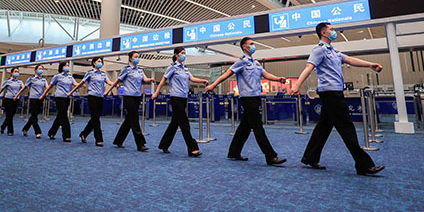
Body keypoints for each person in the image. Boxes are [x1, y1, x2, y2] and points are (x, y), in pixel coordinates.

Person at [290, 22, 385, 176]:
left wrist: (370, 65)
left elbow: (350, 60)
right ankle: (364, 165)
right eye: (332, 30)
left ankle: (310, 157)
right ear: (324, 33)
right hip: (330, 94)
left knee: (324, 126)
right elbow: (309, 67)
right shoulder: (319, 50)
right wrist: (297, 85)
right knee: (347, 128)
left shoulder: (333, 51)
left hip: (335, 93)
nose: (335, 32)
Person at [205, 38, 287, 166]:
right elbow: (226, 74)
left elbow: (266, 74)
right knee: (258, 127)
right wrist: (213, 85)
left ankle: (234, 152)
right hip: (247, 98)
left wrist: (278, 79)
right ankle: (271, 156)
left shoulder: (256, 63)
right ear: (244, 47)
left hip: (256, 97)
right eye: (251, 44)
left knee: (245, 126)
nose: (254, 46)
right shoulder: (241, 62)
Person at [152, 47, 209, 157]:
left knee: (174, 123)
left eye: (185, 53)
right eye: (182, 53)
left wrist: (203, 81)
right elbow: (163, 79)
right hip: (176, 98)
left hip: (184, 98)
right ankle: (192, 148)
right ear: (176, 55)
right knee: (184, 123)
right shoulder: (172, 67)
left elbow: (192, 78)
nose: (184, 55)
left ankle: (164, 145)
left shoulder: (185, 69)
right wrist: (156, 92)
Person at [105, 51, 155, 151]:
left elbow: (144, 79)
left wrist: (150, 79)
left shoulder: (140, 70)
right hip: (128, 97)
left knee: (129, 120)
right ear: (131, 58)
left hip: (137, 97)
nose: (138, 58)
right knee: (135, 119)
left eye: (138, 57)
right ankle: (140, 144)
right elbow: (117, 81)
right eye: (136, 57)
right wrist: (108, 90)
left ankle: (118, 140)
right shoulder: (126, 70)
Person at [68, 57, 115, 147]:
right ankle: (99, 139)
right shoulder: (90, 73)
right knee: (95, 118)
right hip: (92, 97)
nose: (100, 63)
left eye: (101, 61)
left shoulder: (103, 74)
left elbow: (109, 82)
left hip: (100, 98)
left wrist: (116, 84)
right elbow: (82, 83)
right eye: (98, 61)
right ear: (94, 63)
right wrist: (71, 92)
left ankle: (84, 134)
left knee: (95, 118)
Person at [40, 61, 78, 142]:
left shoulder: (70, 77)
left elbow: (75, 84)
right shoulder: (57, 76)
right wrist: (43, 94)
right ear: (61, 67)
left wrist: (82, 84)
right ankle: (66, 136)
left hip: (67, 98)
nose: (67, 67)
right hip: (59, 97)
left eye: (68, 65)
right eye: (66, 65)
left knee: (60, 116)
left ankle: (51, 132)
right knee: (64, 116)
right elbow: (50, 86)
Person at [14, 65, 47, 138]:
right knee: (34, 115)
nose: (41, 70)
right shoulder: (31, 79)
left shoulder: (44, 80)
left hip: (40, 99)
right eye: (39, 69)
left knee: (34, 115)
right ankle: (37, 132)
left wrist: (45, 94)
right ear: (35, 70)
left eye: (42, 69)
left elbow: (47, 88)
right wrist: (17, 95)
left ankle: (25, 129)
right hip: (33, 98)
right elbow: (24, 87)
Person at [0, 67, 23, 136]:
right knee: (9, 115)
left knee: (11, 115)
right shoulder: (7, 81)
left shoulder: (20, 82)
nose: (17, 73)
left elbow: (23, 87)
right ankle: (10, 131)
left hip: (16, 99)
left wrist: (17, 95)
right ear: (11, 73)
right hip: (8, 99)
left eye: (18, 72)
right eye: (15, 71)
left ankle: (3, 126)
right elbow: (1, 90)